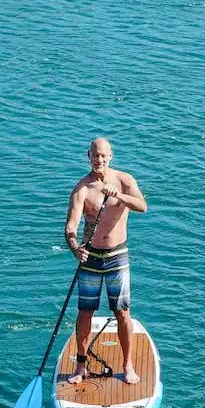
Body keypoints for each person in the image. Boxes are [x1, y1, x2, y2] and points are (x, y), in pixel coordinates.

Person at [64, 137, 148, 384]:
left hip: (116, 256)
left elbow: (142, 206)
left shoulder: (124, 180)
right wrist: (74, 247)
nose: (98, 160)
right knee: (85, 312)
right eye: (94, 155)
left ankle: (128, 364)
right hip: (90, 257)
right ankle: (81, 367)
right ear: (87, 156)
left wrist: (120, 197)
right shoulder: (82, 189)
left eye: (103, 156)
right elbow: (71, 225)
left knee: (122, 312)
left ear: (110, 156)